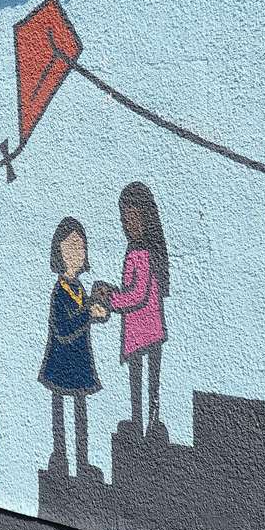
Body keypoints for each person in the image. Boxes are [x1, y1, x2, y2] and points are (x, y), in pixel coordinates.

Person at [96, 182, 169, 439]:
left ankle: (152, 422)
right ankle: (138, 422)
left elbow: (137, 295)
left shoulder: (145, 253)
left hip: (148, 332)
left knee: (150, 381)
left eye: (133, 216)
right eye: (124, 217)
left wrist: (110, 299)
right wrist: (111, 293)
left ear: (146, 216)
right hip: (137, 331)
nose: (128, 223)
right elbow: (131, 290)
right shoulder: (133, 251)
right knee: (136, 381)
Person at [39, 217, 108, 476]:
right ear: (58, 251)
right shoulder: (59, 292)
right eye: (70, 247)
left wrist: (95, 309)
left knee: (80, 413)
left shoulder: (79, 287)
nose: (76, 253)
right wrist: (89, 313)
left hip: (79, 361)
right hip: (60, 361)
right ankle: (61, 459)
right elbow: (64, 329)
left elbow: (82, 315)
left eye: (80, 246)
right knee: (61, 413)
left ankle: (82, 463)